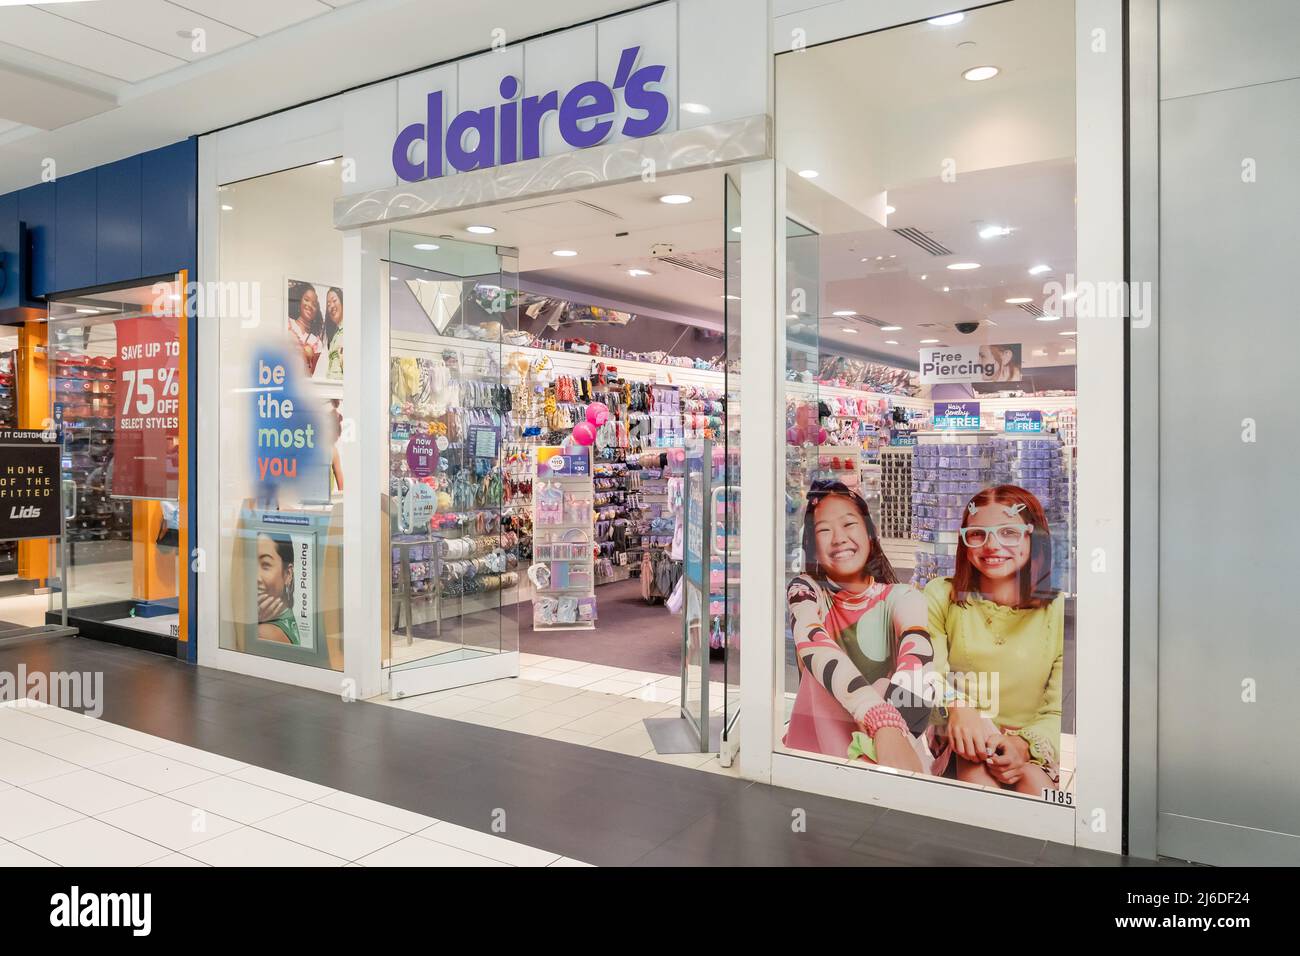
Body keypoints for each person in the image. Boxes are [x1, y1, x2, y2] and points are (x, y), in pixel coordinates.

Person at [784, 480, 936, 772]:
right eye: (824, 530)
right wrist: (873, 711)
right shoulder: (806, 590)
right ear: (812, 545)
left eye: (849, 524)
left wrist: (891, 727)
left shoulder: (902, 597)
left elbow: (917, 653)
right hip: (821, 750)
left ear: (869, 532)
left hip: (893, 742)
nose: (838, 538)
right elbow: (811, 636)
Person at [926, 484, 1064, 792]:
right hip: (958, 735)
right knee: (975, 767)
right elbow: (925, 672)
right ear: (964, 541)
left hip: (1030, 745)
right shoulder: (941, 595)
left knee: (1033, 786)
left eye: (1009, 533)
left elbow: (1055, 710)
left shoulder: (1056, 611)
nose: (992, 545)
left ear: (1034, 538)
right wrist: (959, 708)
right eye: (977, 534)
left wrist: (1022, 745)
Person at [256, 533, 300, 645]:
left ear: (288, 574)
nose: (255, 577)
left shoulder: (264, 633)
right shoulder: (289, 621)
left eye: (265, 565)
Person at [287, 281, 323, 375]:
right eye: (306, 300)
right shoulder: (287, 322)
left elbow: (311, 374)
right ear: (300, 302)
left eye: (314, 304)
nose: (310, 306)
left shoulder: (317, 342)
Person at [323, 287, 344, 379]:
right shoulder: (335, 335)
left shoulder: (349, 332)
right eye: (328, 304)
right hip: (333, 388)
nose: (331, 306)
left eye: (334, 300)